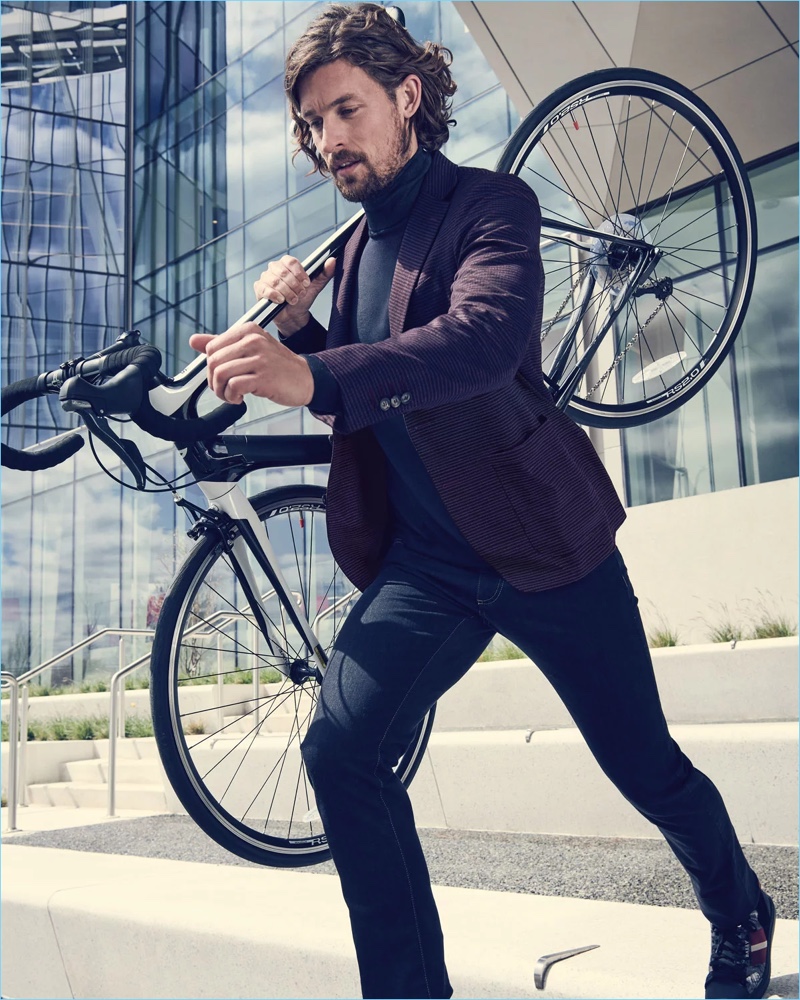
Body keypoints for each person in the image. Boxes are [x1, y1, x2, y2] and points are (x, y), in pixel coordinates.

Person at [189, 5, 775, 998]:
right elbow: (370, 387)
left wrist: (312, 374)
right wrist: (304, 331)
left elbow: (481, 342)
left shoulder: (491, 207)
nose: (327, 139)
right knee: (341, 752)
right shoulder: (352, 249)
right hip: (430, 564)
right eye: (312, 124)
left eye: (345, 110)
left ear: (405, 97)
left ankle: (738, 911)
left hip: (546, 547)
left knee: (644, 766)